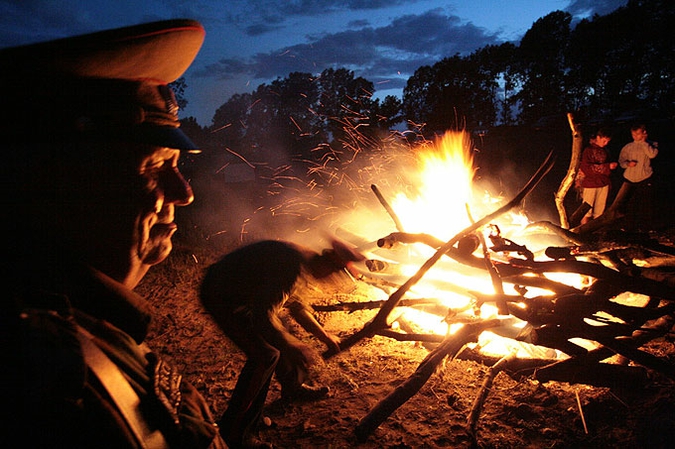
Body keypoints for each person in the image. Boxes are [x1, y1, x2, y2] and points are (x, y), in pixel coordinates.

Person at [3, 20, 229, 448]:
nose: (184, 194)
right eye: (155, 166)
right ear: (63, 181)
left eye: (178, 167)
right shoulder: (43, 382)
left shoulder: (76, 327)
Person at [200, 239, 365, 448]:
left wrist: (324, 336)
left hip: (245, 298)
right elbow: (263, 316)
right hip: (222, 295)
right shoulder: (293, 267)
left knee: (280, 335)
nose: (331, 279)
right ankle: (234, 432)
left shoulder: (304, 261)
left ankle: (292, 387)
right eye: (334, 273)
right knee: (265, 356)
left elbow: (296, 306)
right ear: (328, 263)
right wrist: (294, 345)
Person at [618, 123, 659, 230]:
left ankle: (645, 227)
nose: (635, 137)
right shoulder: (628, 147)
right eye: (633, 134)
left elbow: (652, 155)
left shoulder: (651, 144)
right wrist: (628, 164)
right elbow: (621, 161)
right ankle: (628, 226)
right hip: (630, 178)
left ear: (644, 133)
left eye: (638, 134)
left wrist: (644, 142)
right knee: (630, 203)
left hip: (645, 177)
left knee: (645, 204)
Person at [577, 128, 618, 224]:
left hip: (603, 183)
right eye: (604, 140)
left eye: (608, 141)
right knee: (586, 210)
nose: (606, 143)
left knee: (600, 211)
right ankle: (582, 233)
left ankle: (595, 233)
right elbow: (586, 168)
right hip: (591, 184)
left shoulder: (606, 151)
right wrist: (607, 166)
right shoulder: (588, 150)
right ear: (598, 137)